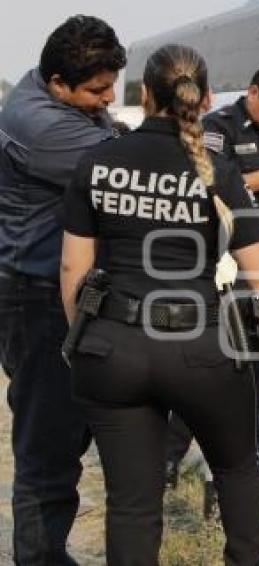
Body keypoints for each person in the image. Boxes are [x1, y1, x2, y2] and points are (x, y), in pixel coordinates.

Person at [60, 44, 259, 564]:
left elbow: (72, 271)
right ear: (206, 97)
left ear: (145, 93)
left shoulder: (98, 160)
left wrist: (82, 339)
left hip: (116, 349)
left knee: (131, 503)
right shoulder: (215, 170)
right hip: (201, 348)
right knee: (238, 470)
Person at [0, 16, 126, 564]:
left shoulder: (44, 102)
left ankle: (47, 549)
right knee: (46, 444)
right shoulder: (43, 126)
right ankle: (39, 556)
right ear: (58, 83)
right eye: (97, 90)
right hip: (37, 297)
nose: (109, 98)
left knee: (62, 435)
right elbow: (126, 166)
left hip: (45, 292)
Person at [165, 62, 259, 482]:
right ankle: (167, 457)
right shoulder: (221, 127)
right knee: (217, 366)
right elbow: (213, 184)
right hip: (235, 263)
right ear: (253, 92)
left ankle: (243, 456)